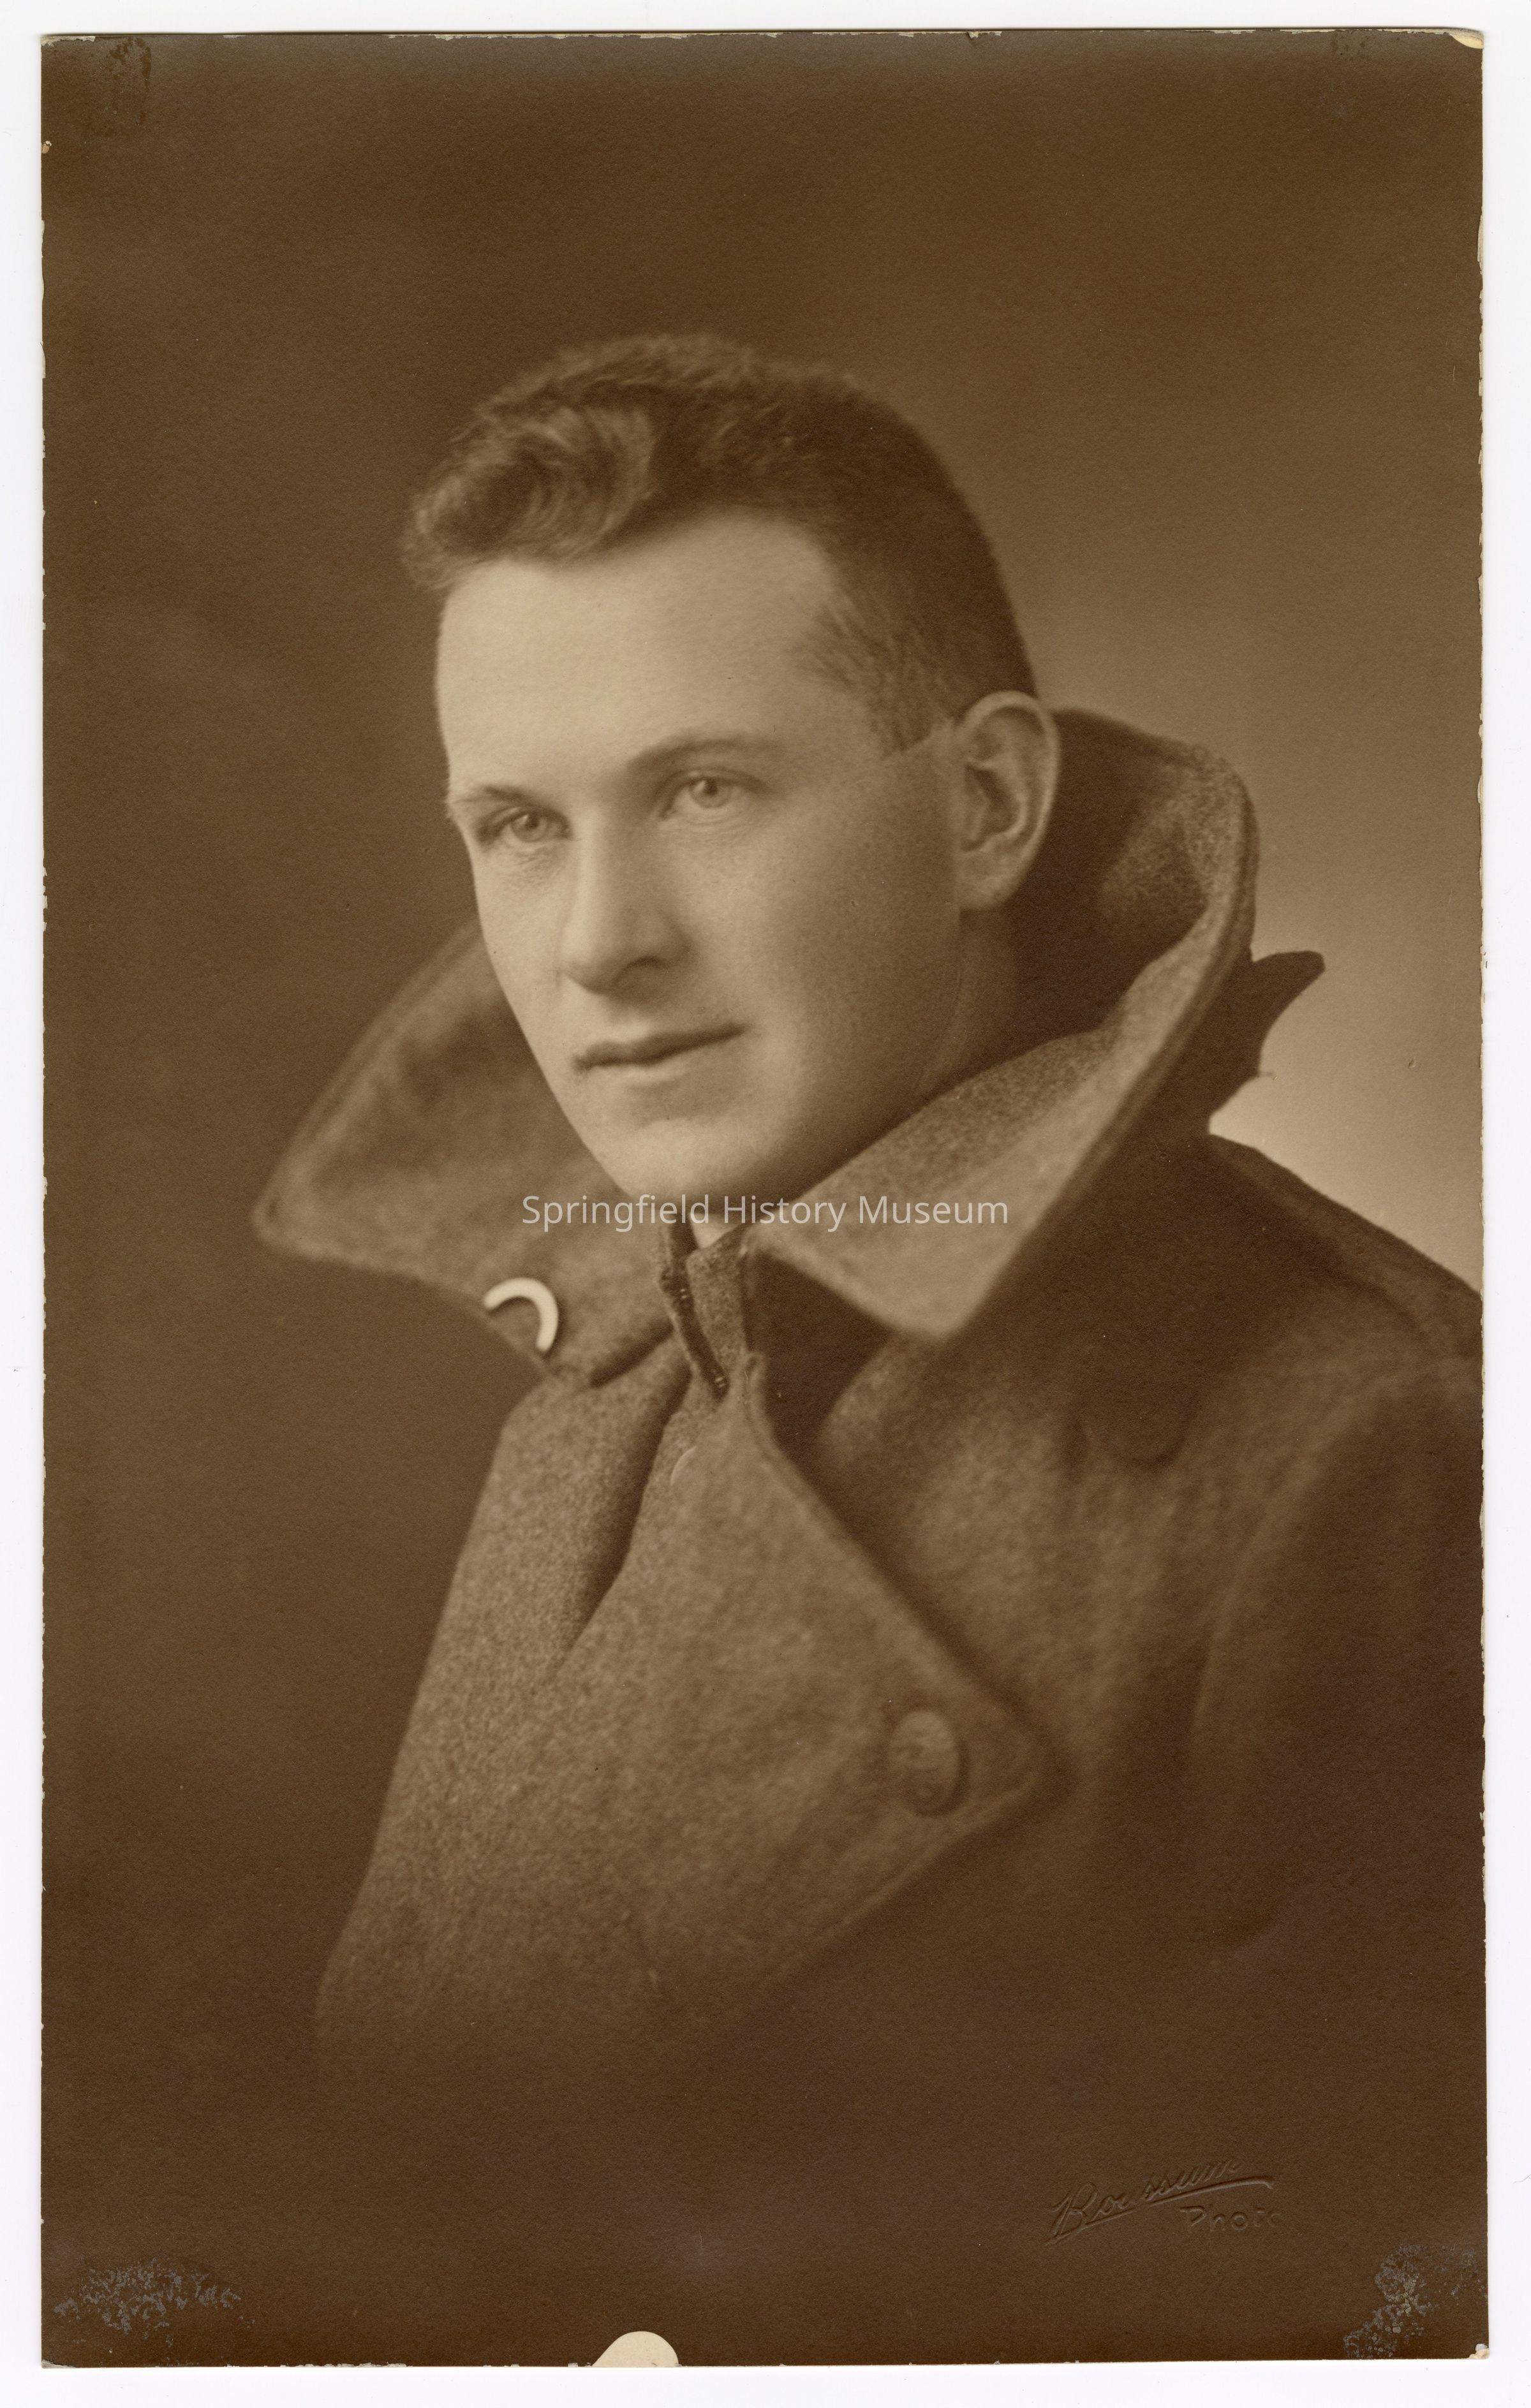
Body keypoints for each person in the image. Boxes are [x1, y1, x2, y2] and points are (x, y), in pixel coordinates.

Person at [256, 335, 1483, 2364]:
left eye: (705, 790)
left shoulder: (1366, 1446)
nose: (598, 943)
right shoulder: (610, 1393)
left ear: (987, 805)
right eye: (520, 824)